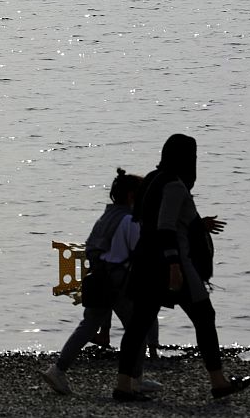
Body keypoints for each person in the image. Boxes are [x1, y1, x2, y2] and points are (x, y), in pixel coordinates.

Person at [114, 134, 250, 402]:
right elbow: (166, 226)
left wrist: (197, 225)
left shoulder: (153, 179)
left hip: (144, 263)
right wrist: (174, 265)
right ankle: (218, 381)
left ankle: (124, 385)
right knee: (204, 317)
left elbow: (151, 220)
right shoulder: (176, 186)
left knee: (139, 324)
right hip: (173, 266)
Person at [41, 169, 160, 395]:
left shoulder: (107, 217)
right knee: (138, 330)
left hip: (98, 278)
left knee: (87, 327)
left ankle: (57, 370)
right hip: (120, 281)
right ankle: (135, 379)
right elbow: (139, 251)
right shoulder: (129, 220)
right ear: (132, 196)